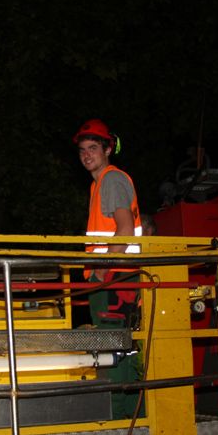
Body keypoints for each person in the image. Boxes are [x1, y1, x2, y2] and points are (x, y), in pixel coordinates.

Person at [74, 118, 143, 418]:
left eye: (93, 148)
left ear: (107, 149)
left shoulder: (111, 180)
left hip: (115, 279)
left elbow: (124, 229)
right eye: (82, 150)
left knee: (113, 351)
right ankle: (131, 418)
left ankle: (119, 419)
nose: (86, 154)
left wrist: (103, 268)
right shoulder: (101, 183)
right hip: (118, 278)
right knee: (121, 349)